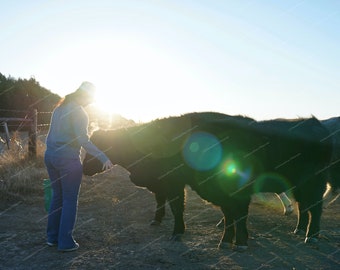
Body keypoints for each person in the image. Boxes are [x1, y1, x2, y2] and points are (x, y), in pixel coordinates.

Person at [44, 81, 114, 252]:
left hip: (50, 157)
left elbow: (50, 135)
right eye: (91, 99)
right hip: (68, 160)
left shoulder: (59, 108)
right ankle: (65, 242)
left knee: (57, 197)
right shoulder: (80, 113)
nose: (91, 103)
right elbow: (83, 140)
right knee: (69, 200)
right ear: (86, 97)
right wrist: (103, 157)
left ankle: (52, 238)